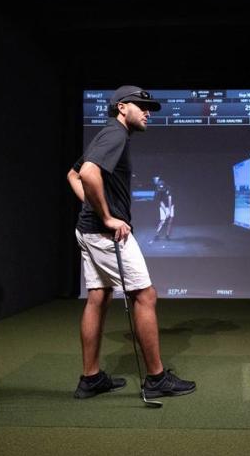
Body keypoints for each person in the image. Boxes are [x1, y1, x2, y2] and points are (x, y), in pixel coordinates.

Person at [66, 85, 195, 399]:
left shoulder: (108, 134)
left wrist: (93, 211)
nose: (148, 112)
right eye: (142, 106)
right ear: (122, 107)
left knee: (98, 296)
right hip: (107, 234)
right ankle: (156, 378)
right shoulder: (116, 134)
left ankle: (91, 378)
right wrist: (107, 217)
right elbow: (89, 173)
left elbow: (73, 174)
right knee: (145, 296)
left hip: (88, 230)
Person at [150, 176, 174, 242]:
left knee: (170, 221)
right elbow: (161, 202)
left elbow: (170, 200)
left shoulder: (168, 188)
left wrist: (169, 210)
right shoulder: (157, 191)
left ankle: (167, 235)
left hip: (170, 206)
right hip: (163, 207)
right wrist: (166, 212)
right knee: (163, 221)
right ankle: (156, 235)